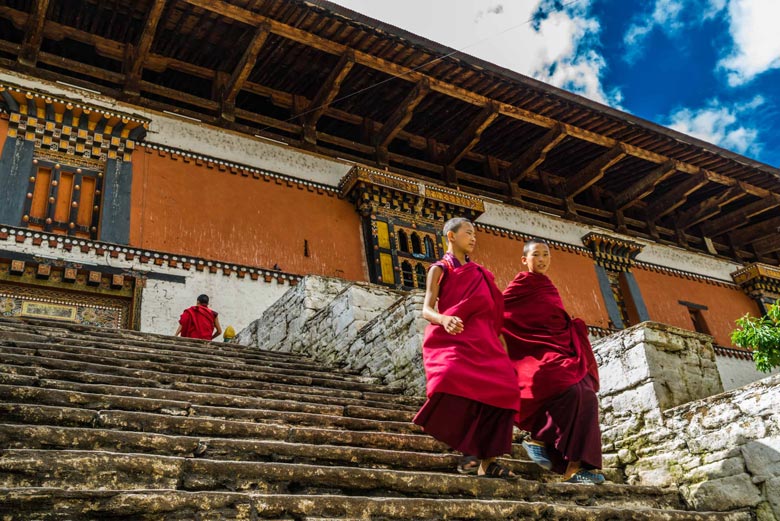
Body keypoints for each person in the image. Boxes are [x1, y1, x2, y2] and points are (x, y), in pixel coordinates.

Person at [413, 217, 520, 479]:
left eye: (475, 234)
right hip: (454, 335)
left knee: (506, 389)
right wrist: (444, 319)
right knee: (452, 379)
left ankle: (489, 461)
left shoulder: (481, 274)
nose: (473, 238)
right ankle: (468, 450)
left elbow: (495, 313)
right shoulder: (439, 269)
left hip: (484, 340)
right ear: (451, 236)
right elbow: (426, 309)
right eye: (468, 233)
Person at [501, 238, 604, 484]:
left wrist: (572, 329)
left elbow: (554, 320)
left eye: (546, 255)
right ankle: (539, 437)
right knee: (564, 386)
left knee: (585, 394)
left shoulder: (549, 286)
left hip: (561, 351)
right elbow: (499, 312)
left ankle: (575, 467)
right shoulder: (520, 284)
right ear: (524, 259)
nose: (542, 260)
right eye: (536, 255)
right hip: (537, 356)